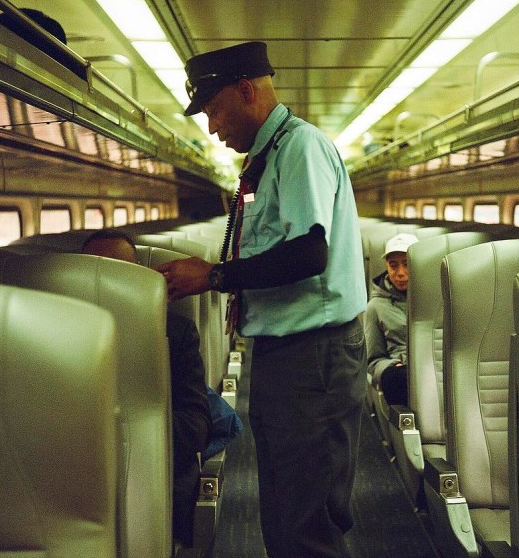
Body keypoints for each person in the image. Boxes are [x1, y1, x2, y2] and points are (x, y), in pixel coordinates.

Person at [157, 41, 367, 558]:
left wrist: (215, 275)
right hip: (288, 357)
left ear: (245, 90)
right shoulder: (269, 158)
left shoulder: (300, 148)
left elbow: (308, 253)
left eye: (212, 109)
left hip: (314, 358)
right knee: (283, 514)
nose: (211, 126)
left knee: (306, 522)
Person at [80, 229, 211, 547]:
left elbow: (196, 426)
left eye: (120, 276)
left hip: (154, 471)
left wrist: (121, 437)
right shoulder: (55, 338)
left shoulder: (174, 333)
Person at [364, 232, 418, 407]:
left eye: (407, 264)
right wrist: (393, 366)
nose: (400, 273)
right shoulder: (375, 307)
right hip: (400, 373)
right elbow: (373, 361)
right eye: (393, 266)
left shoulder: (436, 300)